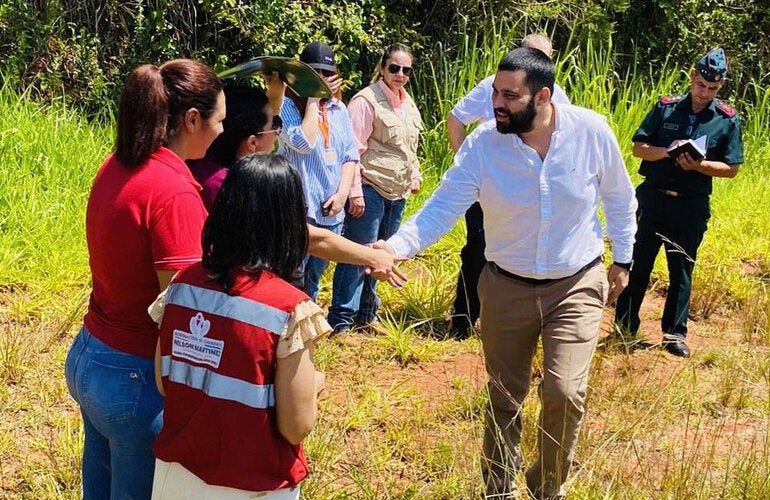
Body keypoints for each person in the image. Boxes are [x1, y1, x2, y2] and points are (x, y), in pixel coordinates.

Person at [379, 48, 637, 498]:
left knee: (564, 391)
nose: (497, 103)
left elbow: (619, 196)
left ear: (543, 96)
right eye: (495, 93)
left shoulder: (591, 132)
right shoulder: (483, 145)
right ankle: (498, 489)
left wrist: (623, 259)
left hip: (575, 282)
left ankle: (547, 489)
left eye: (509, 96)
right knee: (504, 396)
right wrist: (395, 248)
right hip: (504, 286)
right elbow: (441, 208)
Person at [64, 59, 225, 499]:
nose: (222, 131)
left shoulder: (117, 163)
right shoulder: (173, 192)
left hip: (91, 356)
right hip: (134, 379)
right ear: (192, 119)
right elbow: (180, 309)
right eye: (220, 120)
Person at [151, 154, 327, 499]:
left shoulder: (182, 287)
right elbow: (296, 426)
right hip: (254, 484)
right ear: (288, 221)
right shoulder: (289, 308)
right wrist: (316, 383)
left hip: (176, 475)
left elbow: (163, 381)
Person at [188, 78, 406, 286]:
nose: (278, 130)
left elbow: (257, 122)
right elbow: (306, 237)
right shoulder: (228, 186)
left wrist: (275, 92)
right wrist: (373, 257)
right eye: (276, 124)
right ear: (252, 142)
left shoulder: (206, 162)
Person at [614, 47, 743, 358]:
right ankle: (625, 326)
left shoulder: (726, 120)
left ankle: (674, 334)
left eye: (712, 88)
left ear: (720, 86)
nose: (704, 93)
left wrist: (698, 165)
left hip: (690, 205)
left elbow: (732, 168)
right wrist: (666, 150)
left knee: (681, 268)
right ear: (692, 77)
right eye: (701, 84)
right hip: (653, 198)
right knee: (638, 263)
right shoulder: (667, 108)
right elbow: (638, 147)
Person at [445, 33, 571, 339]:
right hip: (488, 188)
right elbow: (456, 118)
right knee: (477, 251)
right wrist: (468, 165)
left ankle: (505, 323)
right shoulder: (494, 85)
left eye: (543, 57)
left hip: (527, 195)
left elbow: (565, 138)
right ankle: (462, 321)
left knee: (517, 255)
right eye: (529, 54)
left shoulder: (556, 95)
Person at [328, 43, 423, 333]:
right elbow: (352, 150)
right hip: (370, 187)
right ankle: (341, 321)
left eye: (406, 70)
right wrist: (354, 191)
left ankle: (367, 315)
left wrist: (415, 174)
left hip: (398, 192)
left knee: (383, 253)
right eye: (394, 68)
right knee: (358, 254)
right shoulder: (366, 101)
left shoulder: (407, 102)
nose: (400, 74)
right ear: (383, 68)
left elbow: (410, 146)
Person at [278, 41, 360, 300]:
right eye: (315, 72)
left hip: (329, 208)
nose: (322, 78)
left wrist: (343, 194)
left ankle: (307, 329)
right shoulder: (286, 106)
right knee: (292, 276)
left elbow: (350, 155)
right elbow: (303, 142)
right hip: (299, 207)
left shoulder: (339, 109)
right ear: (302, 73)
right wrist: (312, 98)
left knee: (313, 278)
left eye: (327, 73)